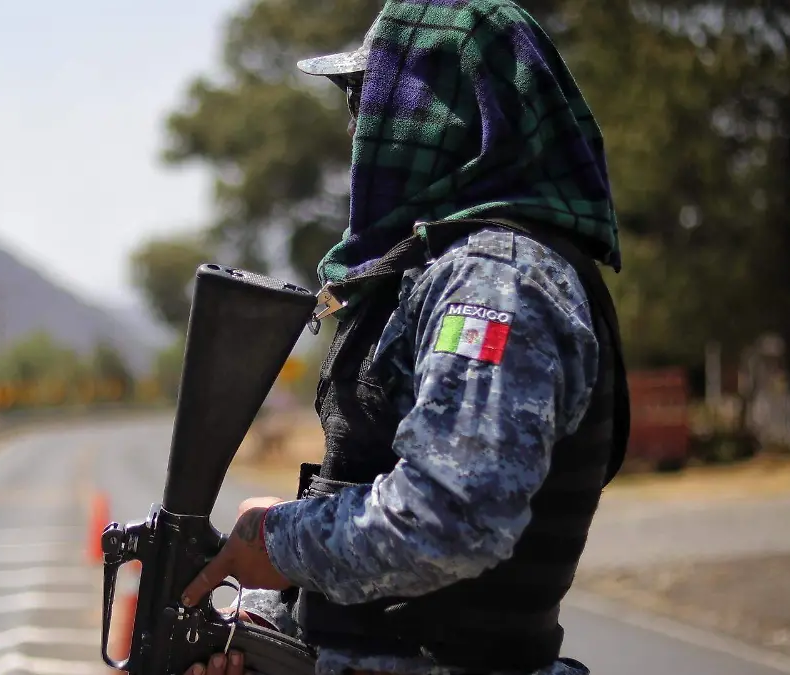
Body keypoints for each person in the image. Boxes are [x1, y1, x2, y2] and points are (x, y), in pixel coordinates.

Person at [179, 1, 629, 674]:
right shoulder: (446, 269)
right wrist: (264, 626)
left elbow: (451, 514)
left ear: (432, 117)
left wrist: (276, 539)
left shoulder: (495, 280)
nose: (358, 128)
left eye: (369, 98)